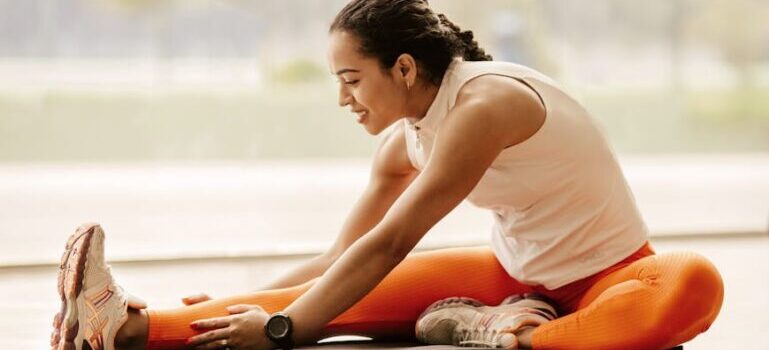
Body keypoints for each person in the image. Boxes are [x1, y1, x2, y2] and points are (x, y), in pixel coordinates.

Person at [50, 1, 724, 349]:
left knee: (693, 283)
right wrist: (232, 304)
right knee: (325, 295)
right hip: (511, 276)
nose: (344, 98)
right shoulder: (405, 141)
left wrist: (285, 332)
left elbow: (393, 241)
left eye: (352, 79)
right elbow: (340, 260)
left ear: (403, 68)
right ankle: (118, 328)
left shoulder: (486, 105)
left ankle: (502, 334)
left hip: (613, 277)